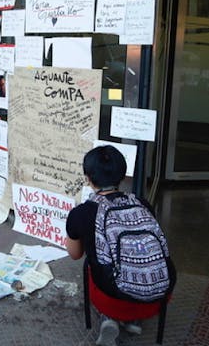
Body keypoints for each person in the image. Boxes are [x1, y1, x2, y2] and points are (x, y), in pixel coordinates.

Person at [65, 145, 176, 346]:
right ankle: (133, 319)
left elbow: (74, 254)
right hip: (159, 294)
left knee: (93, 264)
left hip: (111, 297)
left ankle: (109, 318)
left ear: (88, 178)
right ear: (123, 177)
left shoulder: (81, 213)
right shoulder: (143, 204)